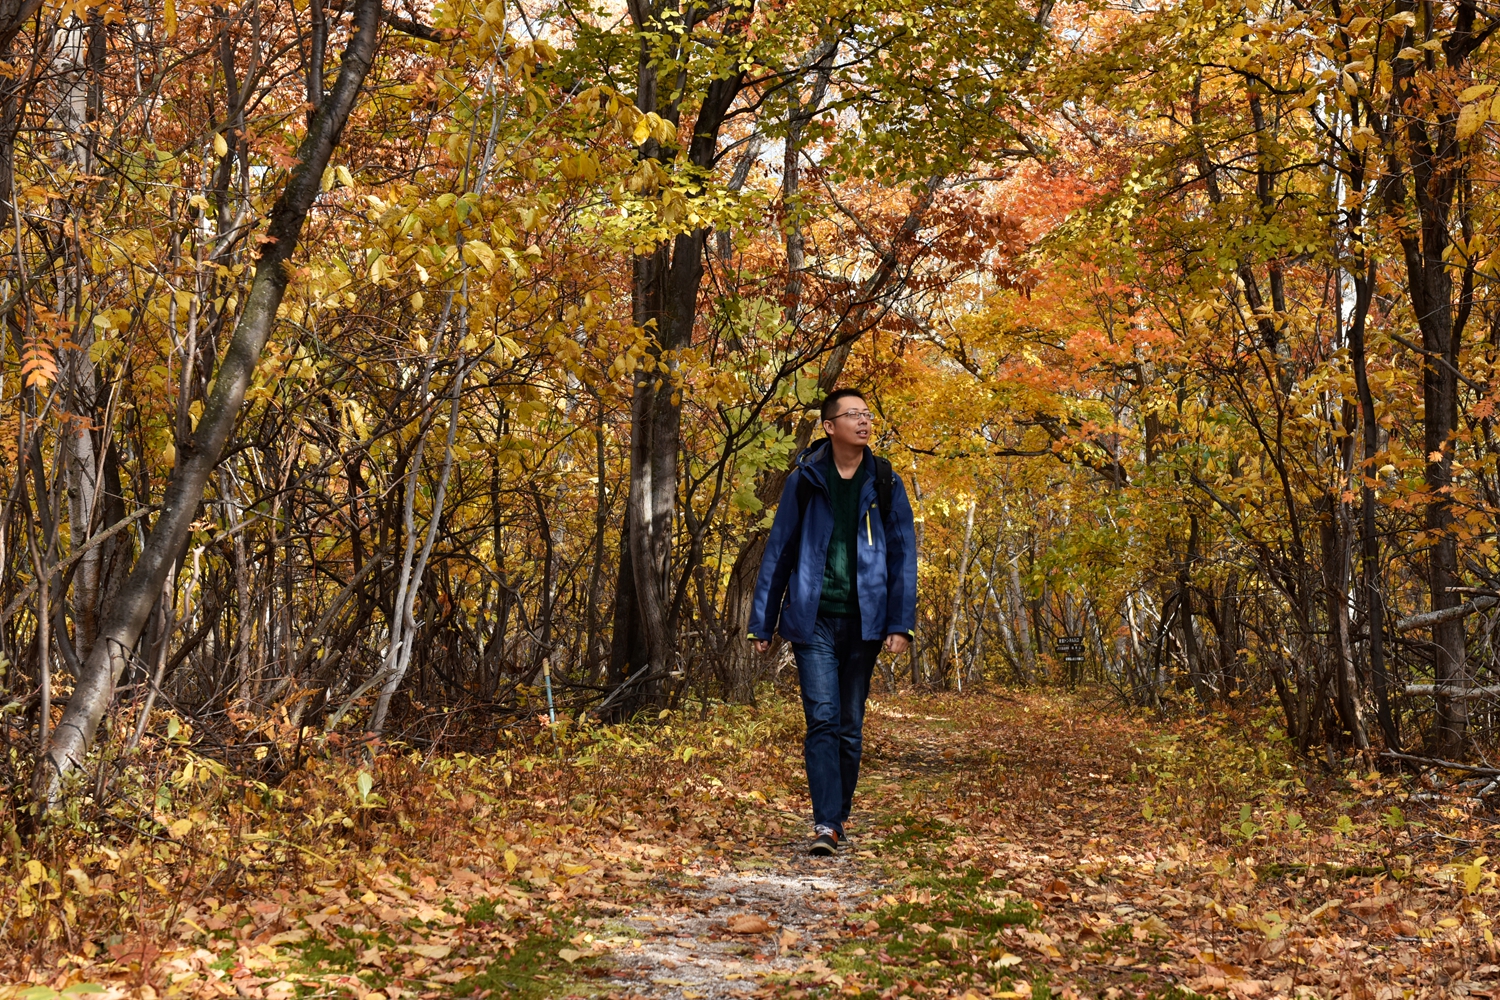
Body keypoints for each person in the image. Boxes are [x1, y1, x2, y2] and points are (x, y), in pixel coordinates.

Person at [746, 388, 918, 856]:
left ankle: (837, 817)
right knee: (821, 719)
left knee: (848, 724)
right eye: (853, 415)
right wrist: (762, 622)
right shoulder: (805, 479)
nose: (863, 422)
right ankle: (826, 823)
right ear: (829, 426)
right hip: (813, 618)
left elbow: (903, 555)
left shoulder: (885, 481)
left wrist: (900, 622)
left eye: (867, 413)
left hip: (866, 621)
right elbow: (779, 550)